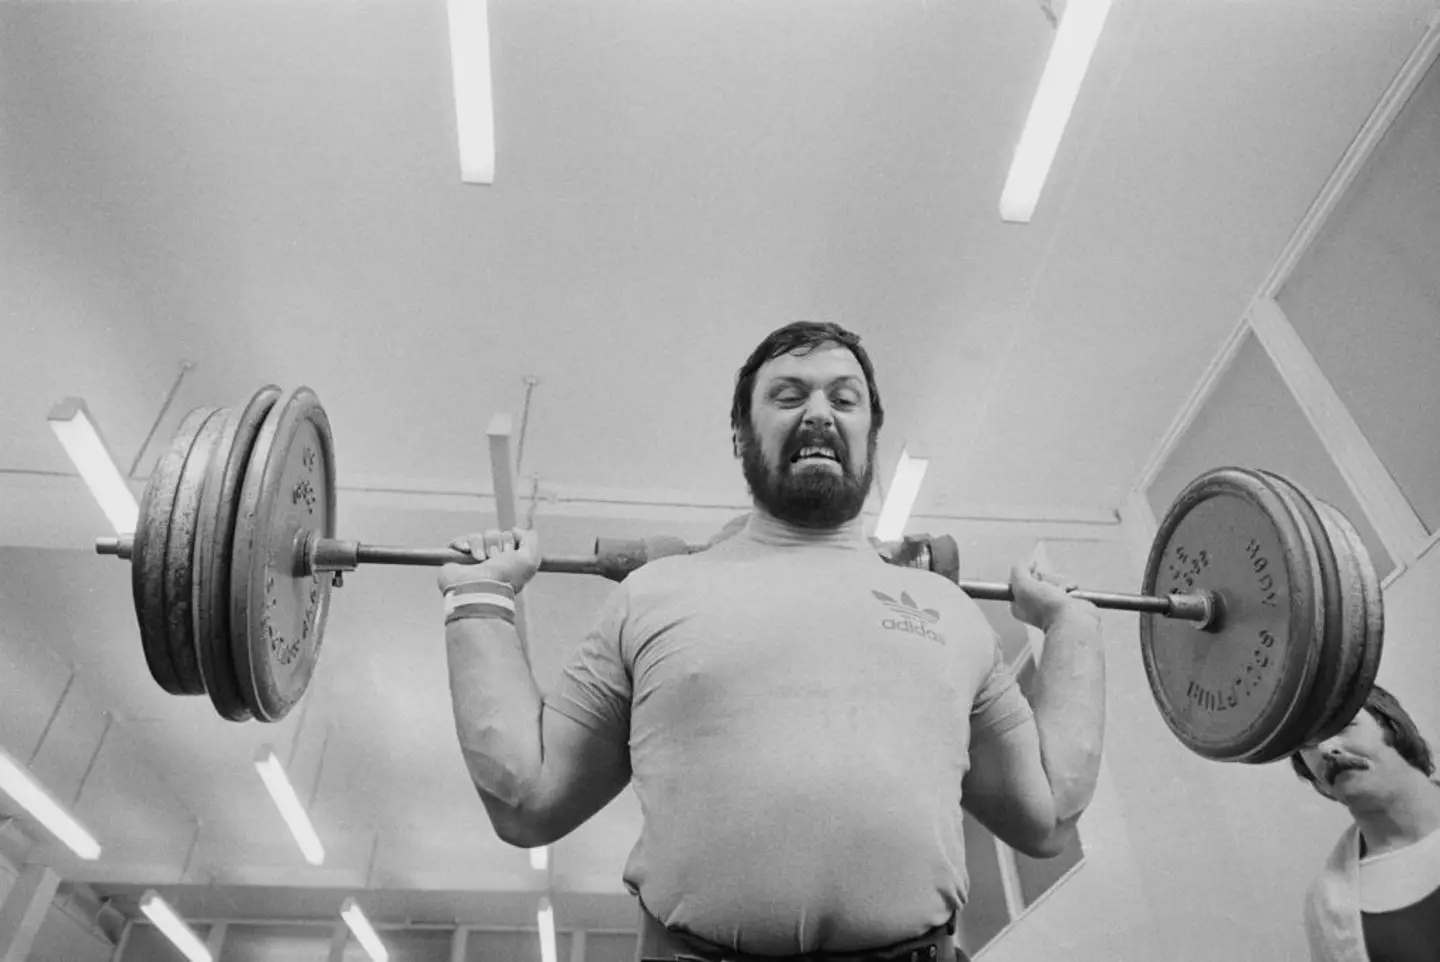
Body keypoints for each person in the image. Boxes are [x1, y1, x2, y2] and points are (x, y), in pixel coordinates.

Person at [437, 321, 1106, 961]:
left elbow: (1045, 819)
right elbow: (528, 804)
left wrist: (1074, 627)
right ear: (741, 435)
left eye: (844, 398)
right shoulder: (653, 596)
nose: (819, 412)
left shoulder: (950, 613)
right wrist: (480, 597)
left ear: (871, 434)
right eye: (788, 395)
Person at [1291, 684, 1440, 962]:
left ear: (1390, 726)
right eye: (1306, 744)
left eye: (1344, 725)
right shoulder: (1328, 904)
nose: (1326, 749)